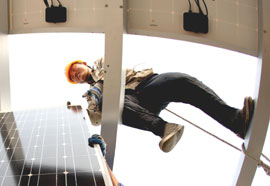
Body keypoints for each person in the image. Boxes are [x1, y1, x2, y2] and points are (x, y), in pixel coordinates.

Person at [65, 58, 255, 152]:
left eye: (76, 69)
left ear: (84, 63)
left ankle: (235, 120)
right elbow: (97, 119)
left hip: (144, 86)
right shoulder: (92, 95)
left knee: (183, 82)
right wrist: (94, 100)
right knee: (111, 104)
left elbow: (116, 71)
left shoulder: (102, 61)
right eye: (73, 76)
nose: (76, 74)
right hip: (134, 104)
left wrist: (99, 86)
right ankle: (165, 129)